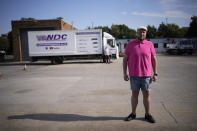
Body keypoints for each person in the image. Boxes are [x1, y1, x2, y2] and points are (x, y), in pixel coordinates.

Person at [123, 26, 158, 123]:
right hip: (134, 76)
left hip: (146, 76)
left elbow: (153, 59)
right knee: (134, 95)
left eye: (144, 32)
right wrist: (125, 73)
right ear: (136, 33)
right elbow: (125, 59)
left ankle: (147, 114)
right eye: (140, 32)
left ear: (145, 33)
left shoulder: (150, 44)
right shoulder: (130, 45)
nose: (142, 33)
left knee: (146, 95)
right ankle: (133, 114)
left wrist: (155, 73)